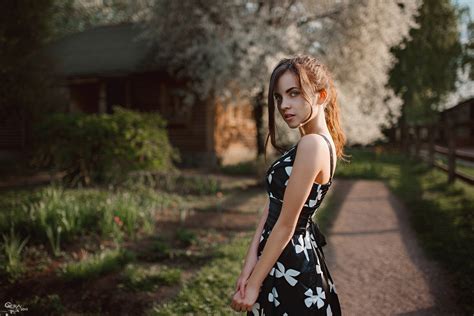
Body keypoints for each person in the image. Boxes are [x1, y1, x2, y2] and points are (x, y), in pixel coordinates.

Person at [230, 55, 348, 315]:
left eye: (294, 93)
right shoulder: (312, 142)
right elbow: (273, 208)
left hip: (290, 266)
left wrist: (254, 284)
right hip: (277, 259)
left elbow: (286, 224)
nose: (284, 105)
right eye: (279, 97)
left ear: (321, 95)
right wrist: (249, 266)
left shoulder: (313, 145)